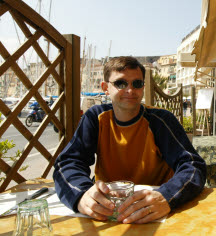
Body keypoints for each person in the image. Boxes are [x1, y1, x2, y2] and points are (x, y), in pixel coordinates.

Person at [53, 56, 207, 224]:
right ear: (105, 88)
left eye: (137, 84)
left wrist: (167, 196)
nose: (130, 90)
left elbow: (193, 166)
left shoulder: (160, 120)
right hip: (107, 212)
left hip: (153, 211)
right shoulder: (96, 118)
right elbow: (68, 163)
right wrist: (81, 195)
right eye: (120, 83)